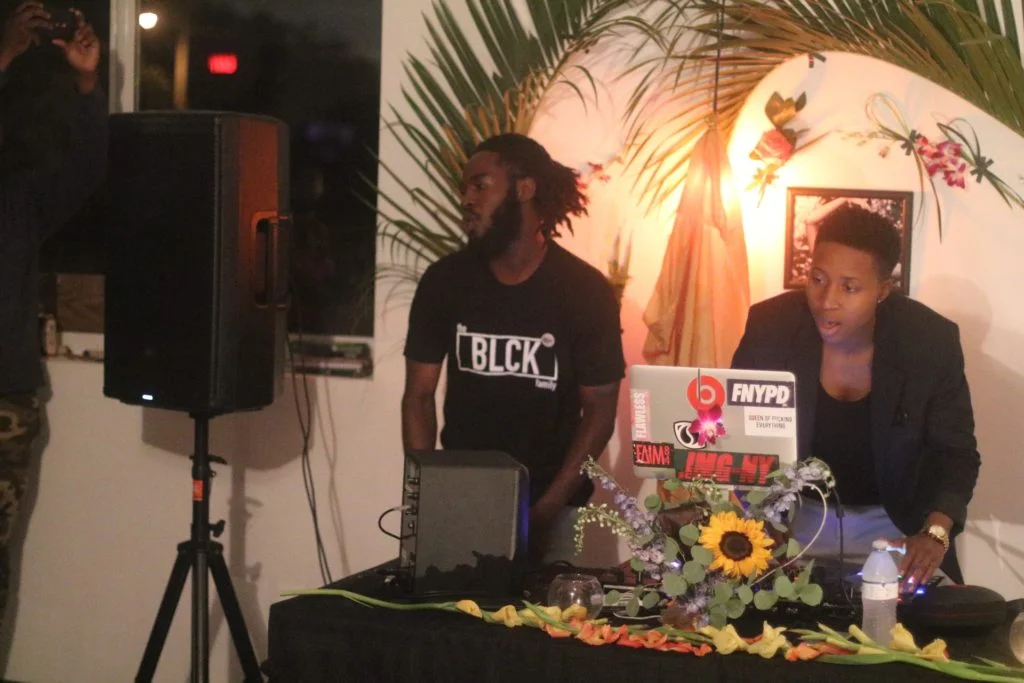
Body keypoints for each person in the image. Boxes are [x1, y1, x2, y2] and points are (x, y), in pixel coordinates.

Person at [402, 133, 625, 563]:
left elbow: (600, 409)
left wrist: (547, 509)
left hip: (554, 506)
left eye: (480, 185)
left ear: (525, 188)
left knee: (548, 608)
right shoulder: (445, 281)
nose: (467, 199)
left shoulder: (583, 289)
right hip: (461, 500)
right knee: (451, 607)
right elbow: (419, 396)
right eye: (464, 189)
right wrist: (426, 492)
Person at [732, 203, 980, 589]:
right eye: (817, 278)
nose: (826, 299)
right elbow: (739, 437)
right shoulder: (771, 327)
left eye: (849, 287)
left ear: (882, 290)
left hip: (895, 527)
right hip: (793, 524)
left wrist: (934, 535)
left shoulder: (929, 342)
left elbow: (957, 455)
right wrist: (760, 518)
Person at [0, 1, 106, 625]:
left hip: (6, 399)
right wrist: (8, 52)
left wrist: (87, 82)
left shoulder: (18, 201)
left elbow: (87, 169)